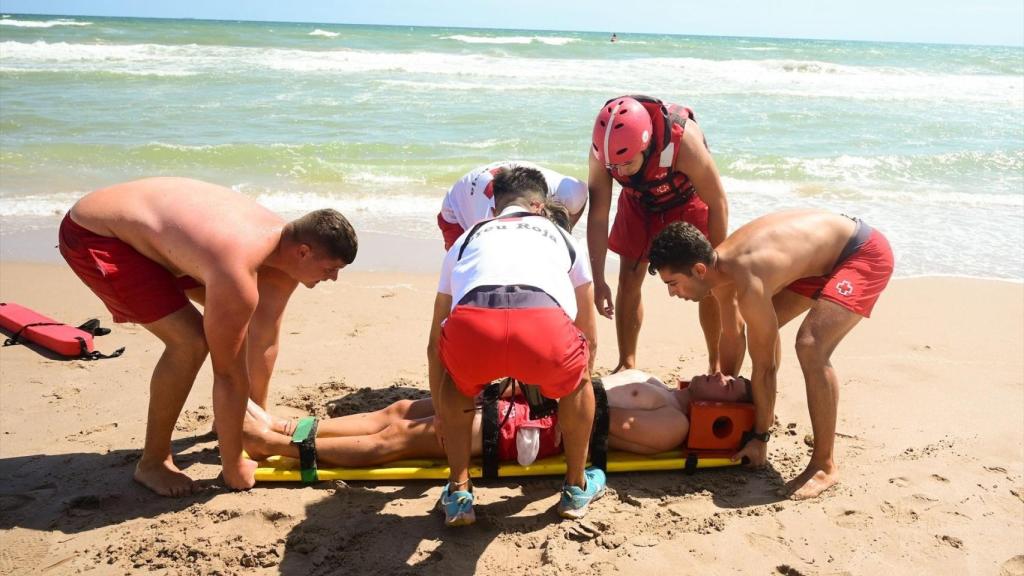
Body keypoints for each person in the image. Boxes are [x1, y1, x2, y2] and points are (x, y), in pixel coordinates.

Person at [58, 177, 358, 497]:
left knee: (239, 320)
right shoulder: (237, 267)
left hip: (160, 234)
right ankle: (153, 462)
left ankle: (239, 424)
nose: (334, 278)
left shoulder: (284, 252)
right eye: (331, 268)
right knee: (190, 341)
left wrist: (251, 423)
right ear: (303, 252)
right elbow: (227, 374)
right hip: (96, 235)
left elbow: (264, 334)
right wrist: (234, 467)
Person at [646, 209, 894, 499]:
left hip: (862, 254)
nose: (672, 294)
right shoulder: (719, 274)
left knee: (810, 345)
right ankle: (762, 416)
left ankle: (824, 464)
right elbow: (732, 337)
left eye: (673, 283)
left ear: (699, 270)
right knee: (762, 325)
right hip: (818, 262)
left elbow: (765, 368)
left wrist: (759, 438)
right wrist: (723, 405)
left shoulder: (748, 281)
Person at [427, 166, 601, 527]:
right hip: (542, 330)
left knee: (455, 383)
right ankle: (575, 486)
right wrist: (574, 386)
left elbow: (434, 344)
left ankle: (459, 491)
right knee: (579, 380)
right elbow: (589, 333)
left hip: (475, 328)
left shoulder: (468, 237)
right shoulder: (562, 237)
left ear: (494, 209)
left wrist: (442, 413)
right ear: (540, 206)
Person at [242, 370, 751, 467]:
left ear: (720, 410)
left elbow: (597, 423)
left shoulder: (676, 425)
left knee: (402, 436)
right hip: (527, 395)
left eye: (733, 387)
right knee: (401, 410)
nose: (724, 375)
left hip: (532, 426)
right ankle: (288, 426)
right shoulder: (664, 387)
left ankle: (279, 447)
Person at [587, 95, 744, 375]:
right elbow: (598, 216)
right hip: (638, 201)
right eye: (613, 167)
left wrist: (716, 262)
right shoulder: (605, 152)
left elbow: (718, 201)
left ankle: (715, 362)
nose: (618, 172)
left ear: (646, 146)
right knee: (629, 276)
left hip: (685, 197)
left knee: (707, 283)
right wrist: (598, 281)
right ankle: (627, 362)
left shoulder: (684, 143)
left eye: (626, 164)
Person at [437, 160, 588, 250]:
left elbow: (581, 202)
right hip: (455, 211)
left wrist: (565, 234)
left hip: (505, 183)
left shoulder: (572, 193)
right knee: (464, 272)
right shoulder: (489, 217)